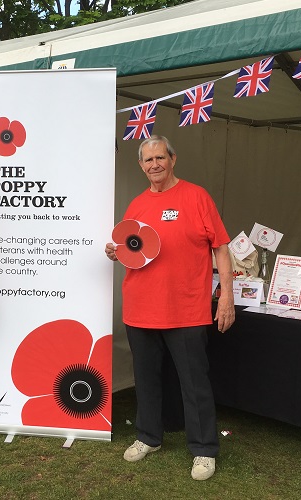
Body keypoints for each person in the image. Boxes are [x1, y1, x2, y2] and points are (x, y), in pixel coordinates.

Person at [104, 136, 235, 481]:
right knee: (146, 380)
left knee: (195, 383)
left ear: (173, 159)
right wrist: (116, 251)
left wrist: (226, 296)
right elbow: (133, 250)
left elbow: (221, 248)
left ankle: (204, 449)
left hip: (186, 308)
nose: (154, 165)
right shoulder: (136, 205)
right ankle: (149, 436)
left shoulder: (197, 197)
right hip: (141, 307)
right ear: (141, 166)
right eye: (148, 160)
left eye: (160, 157)